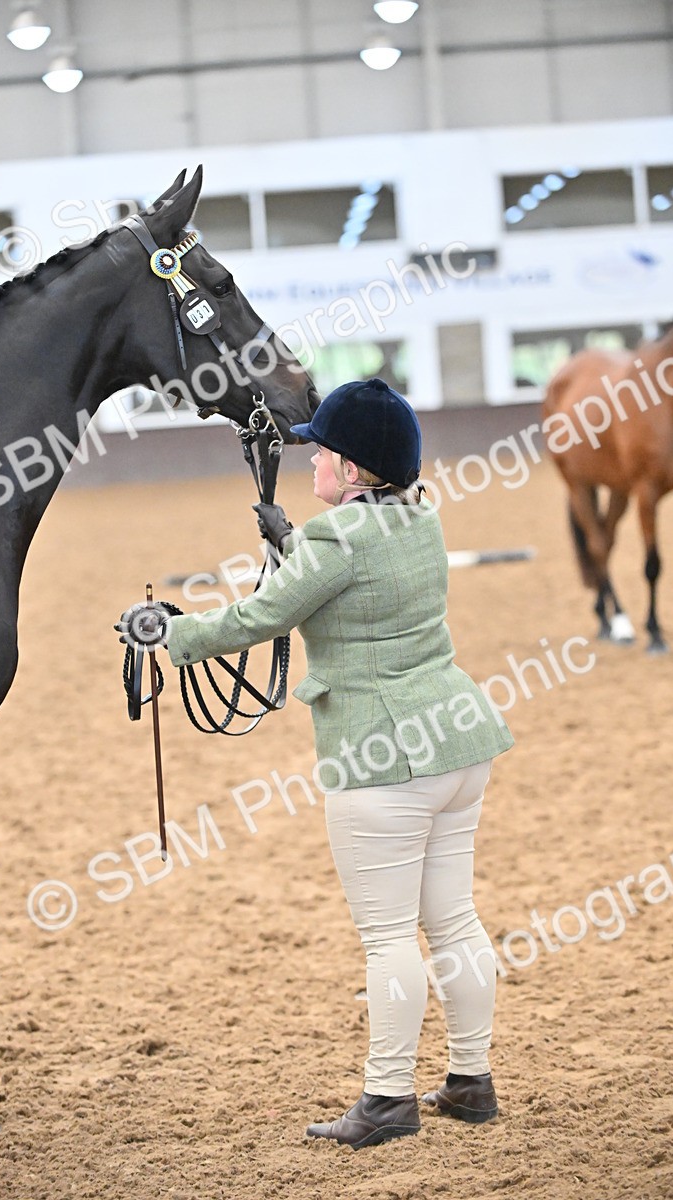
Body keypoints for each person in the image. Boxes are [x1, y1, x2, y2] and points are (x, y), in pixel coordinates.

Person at [124, 378, 513, 1150]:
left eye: (323, 453)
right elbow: (355, 578)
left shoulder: (337, 540)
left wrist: (166, 635)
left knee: (388, 937)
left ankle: (387, 1098)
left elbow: (258, 616)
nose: (310, 463)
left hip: (384, 757)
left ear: (358, 470)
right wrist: (294, 540)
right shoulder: (418, 516)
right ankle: (471, 1080)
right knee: (454, 919)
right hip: (458, 744)